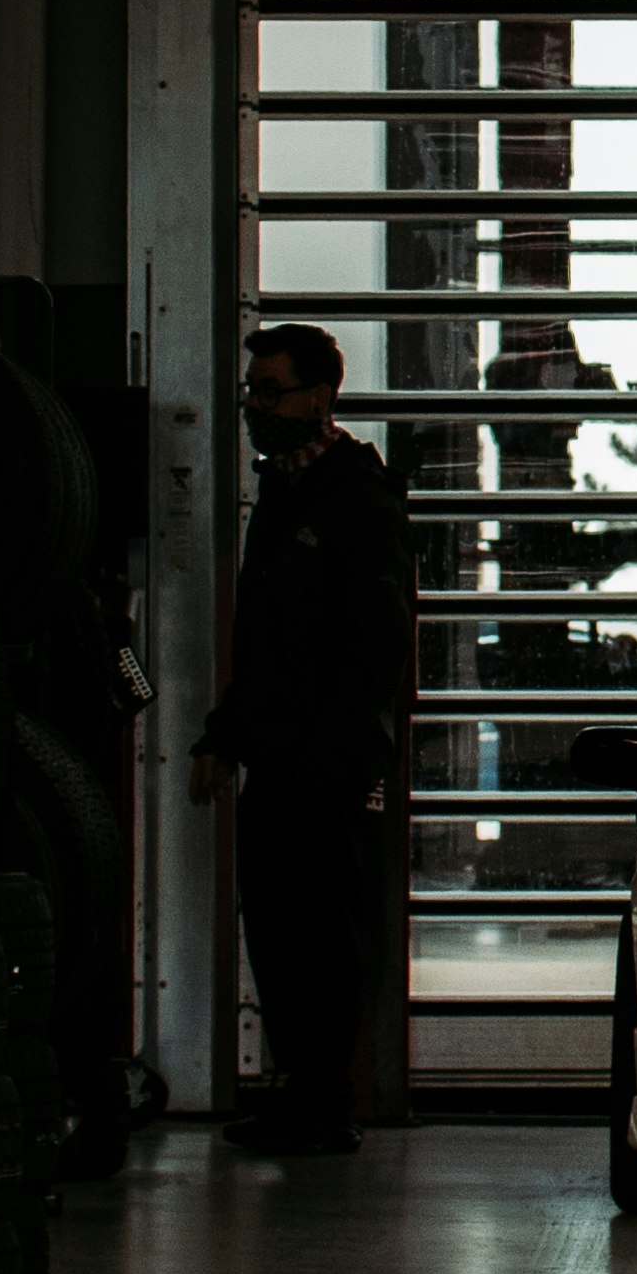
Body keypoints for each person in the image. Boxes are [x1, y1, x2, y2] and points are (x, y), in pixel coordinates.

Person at [188, 324, 412, 1158]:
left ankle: (324, 1102)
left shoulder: (356, 497)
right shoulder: (281, 494)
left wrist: (334, 745)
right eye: (251, 393)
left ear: (319, 398)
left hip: (328, 762)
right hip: (280, 761)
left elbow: (376, 642)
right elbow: (263, 641)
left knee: (323, 930)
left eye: (269, 391)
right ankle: (301, 1094)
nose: (254, 407)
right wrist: (226, 736)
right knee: (278, 924)